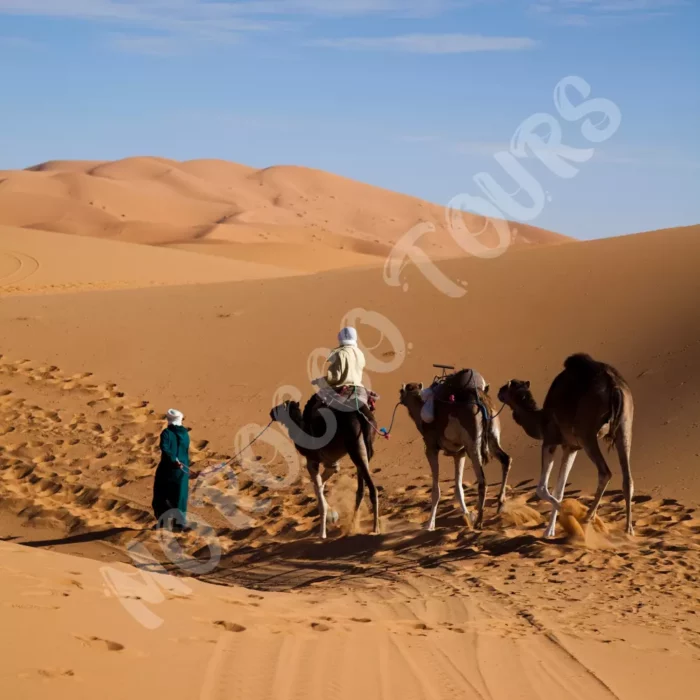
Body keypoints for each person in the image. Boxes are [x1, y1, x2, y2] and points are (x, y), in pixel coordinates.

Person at [152, 408, 191, 532]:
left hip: (167, 468)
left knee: (161, 493)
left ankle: (163, 521)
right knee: (180, 495)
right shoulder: (185, 434)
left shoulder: (166, 433)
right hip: (182, 469)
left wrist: (174, 460)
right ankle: (179, 523)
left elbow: (165, 447)